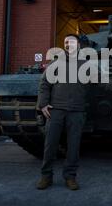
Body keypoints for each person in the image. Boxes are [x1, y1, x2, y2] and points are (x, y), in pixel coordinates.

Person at [36, 34, 89, 190]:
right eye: (66, 42)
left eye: (71, 42)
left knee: (73, 146)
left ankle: (70, 177)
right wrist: (43, 104)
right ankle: (46, 176)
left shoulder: (85, 64)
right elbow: (44, 84)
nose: (68, 44)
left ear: (78, 45)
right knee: (50, 145)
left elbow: (101, 79)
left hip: (76, 110)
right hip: (56, 110)